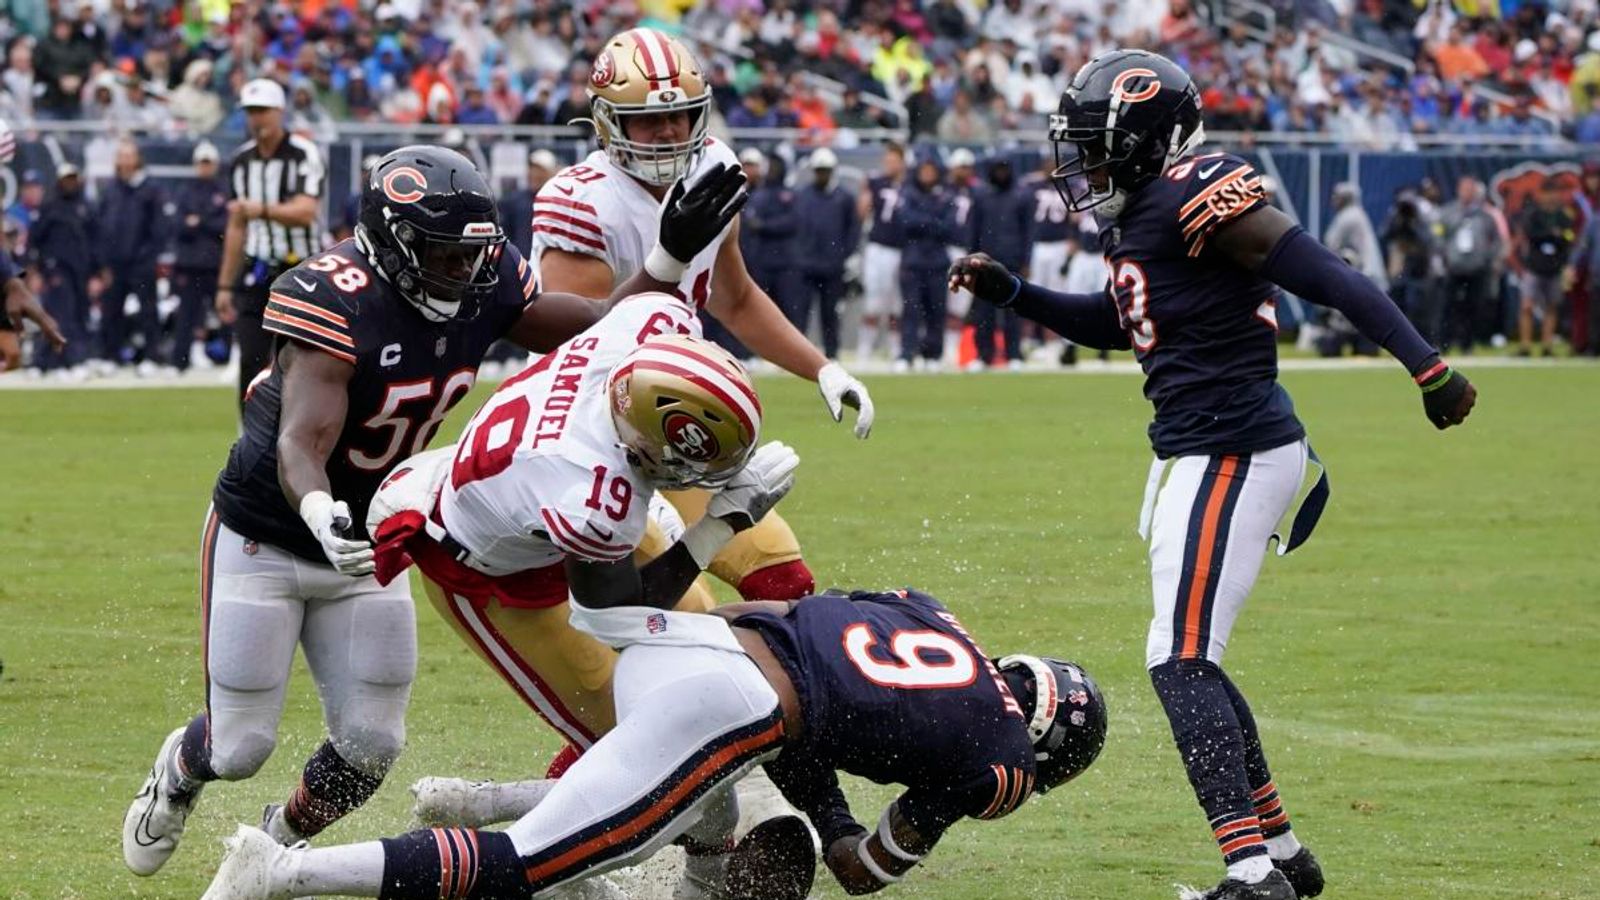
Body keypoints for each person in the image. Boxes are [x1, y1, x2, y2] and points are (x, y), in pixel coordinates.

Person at [119, 145, 750, 881]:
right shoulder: (333, 294)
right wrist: (321, 510)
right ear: (392, 245)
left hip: (382, 531)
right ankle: (178, 772)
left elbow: (603, 327)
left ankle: (281, 834)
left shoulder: (484, 281)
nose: (465, 272)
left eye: (472, 254)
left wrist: (667, 259)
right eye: (444, 256)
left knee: (371, 744)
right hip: (271, 531)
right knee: (240, 746)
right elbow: (303, 440)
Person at [952, 49, 1477, 900]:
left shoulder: (1204, 191)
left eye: (1097, 144)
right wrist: (1015, 292)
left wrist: (1429, 368)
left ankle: (1252, 872)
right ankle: (1283, 855)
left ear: (1148, 138)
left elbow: (1330, 275)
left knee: (1179, 659)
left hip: (1234, 449)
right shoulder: (1143, 209)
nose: (1083, 163)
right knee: (1188, 655)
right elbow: (1127, 321)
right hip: (1200, 453)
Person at [201, 587, 1108, 900]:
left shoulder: (931, 619)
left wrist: (805, 774)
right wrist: (829, 819)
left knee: (702, 799)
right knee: (528, 869)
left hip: (687, 642)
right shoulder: (1004, 766)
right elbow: (862, 871)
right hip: (735, 704)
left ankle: (483, 799)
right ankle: (280, 874)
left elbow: (788, 623)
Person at [528, 29, 872, 640]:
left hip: (677, 421)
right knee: (666, 626)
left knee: (783, 583)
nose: (668, 132)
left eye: (680, 115)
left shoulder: (714, 167)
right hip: (598, 443)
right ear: (608, 124)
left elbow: (734, 297)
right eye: (649, 120)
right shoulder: (581, 201)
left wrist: (821, 367)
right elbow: (571, 351)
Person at [215, 78, 327, 412]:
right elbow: (236, 227)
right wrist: (224, 284)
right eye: (251, 112)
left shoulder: (303, 153)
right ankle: (250, 444)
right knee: (250, 361)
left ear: (279, 111)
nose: (257, 118)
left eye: (262, 110)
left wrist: (261, 210)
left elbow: (307, 211)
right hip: (259, 270)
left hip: (301, 272)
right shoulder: (241, 161)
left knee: (305, 361)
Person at [98, 138, 169, 371]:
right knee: (112, 311)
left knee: (148, 310)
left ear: (138, 158)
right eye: (122, 155)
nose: (125, 160)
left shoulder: (150, 189)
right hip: (115, 262)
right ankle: (111, 356)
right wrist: (104, 261)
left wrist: (148, 256)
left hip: (142, 261)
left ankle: (152, 356)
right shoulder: (110, 189)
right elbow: (102, 225)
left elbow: (159, 227)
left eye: (129, 155)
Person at [27, 162, 95, 375]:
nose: (69, 183)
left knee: (73, 315)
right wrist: (35, 270)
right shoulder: (50, 207)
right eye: (66, 179)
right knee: (63, 316)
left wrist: (98, 273)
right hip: (55, 269)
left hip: (80, 272)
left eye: (73, 178)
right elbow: (34, 240)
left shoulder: (85, 207)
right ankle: (72, 361)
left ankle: (44, 362)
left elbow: (95, 241)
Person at [169, 141, 231, 373]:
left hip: (216, 264)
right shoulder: (185, 191)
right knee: (186, 315)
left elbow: (225, 226)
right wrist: (206, 223)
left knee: (225, 311)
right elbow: (178, 225)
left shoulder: (223, 190)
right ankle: (180, 360)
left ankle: (227, 357)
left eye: (208, 163)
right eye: (201, 163)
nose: (205, 167)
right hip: (191, 264)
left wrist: (199, 221)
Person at [791, 147, 859, 359]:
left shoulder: (844, 198)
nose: (822, 174)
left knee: (830, 313)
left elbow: (853, 229)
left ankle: (832, 354)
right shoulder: (803, 196)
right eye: (819, 170)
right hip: (807, 263)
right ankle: (798, 354)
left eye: (826, 170)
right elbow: (796, 228)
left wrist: (846, 255)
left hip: (832, 266)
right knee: (800, 311)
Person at [968, 157, 1031, 370]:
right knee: (984, 311)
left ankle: (1014, 354)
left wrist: (1026, 260)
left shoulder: (1021, 195)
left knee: (1013, 308)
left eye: (1004, 169)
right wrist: (970, 259)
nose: (1001, 173)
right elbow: (973, 229)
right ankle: (983, 355)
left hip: (1011, 260)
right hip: (984, 261)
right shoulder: (982, 196)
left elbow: (1028, 232)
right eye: (998, 169)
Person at [894, 157, 953, 371]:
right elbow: (905, 221)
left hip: (937, 261)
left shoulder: (945, 194)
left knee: (936, 310)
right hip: (914, 260)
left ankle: (933, 354)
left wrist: (924, 221)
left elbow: (950, 227)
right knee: (911, 309)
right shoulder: (908, 193)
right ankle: (907, 353)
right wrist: (931, 220)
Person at [739, 148, 800, 341]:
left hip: (785, 261)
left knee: (788, 307)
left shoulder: (789, 194)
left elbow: (792, 222)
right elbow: (750, 220)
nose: (773, 170)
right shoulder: (758, 195)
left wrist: (765, 225)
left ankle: (790, 348)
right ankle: (755, 349)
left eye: (776, 165)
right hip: (761, 260)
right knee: (760, 308)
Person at [1438, 177, 1504, 354]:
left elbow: (1497, 240)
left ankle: (1467, 344)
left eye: (1470, 189)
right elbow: (1438, 235)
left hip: (1476, 268)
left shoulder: (1485, 216)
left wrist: (1487, 258)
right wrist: (1444, 255)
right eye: (1464, 189)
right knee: (1448, 306)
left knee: (1473, 306)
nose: (1466, 193)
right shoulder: (1448, 212)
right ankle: (1445, 342)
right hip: (1453, 267)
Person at [1513, 177, 1577, 356]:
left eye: (1554, 193)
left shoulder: (1564, 216)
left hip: (1554, 266)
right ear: (1541, 195)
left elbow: (1568, 239)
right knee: (1527, 305)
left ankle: (1547, 345)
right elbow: (1531, 234)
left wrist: (1557, 240)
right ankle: (1525, 345)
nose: (1551, 197)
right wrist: (1552, 234)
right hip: (1534, 265)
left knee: (1552, 306)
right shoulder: (1533, 213)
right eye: (1547, 193)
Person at [856, 141, 908, 361]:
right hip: (878, 247)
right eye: (887, 160)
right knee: (873, 301)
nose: (889, 164)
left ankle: (896, 349)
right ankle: (865, 349)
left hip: (901, 249)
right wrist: (865, 191)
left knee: (897, 303)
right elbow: (862, 212)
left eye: (894, 160)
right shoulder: (876, 182)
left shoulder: (910, 185)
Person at [498, 148, 561, 256]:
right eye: (532, 169)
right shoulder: (512, 201)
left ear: (551, 174)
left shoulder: (559, 203)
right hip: (519, 265)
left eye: (541, 170)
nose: (535, 174)